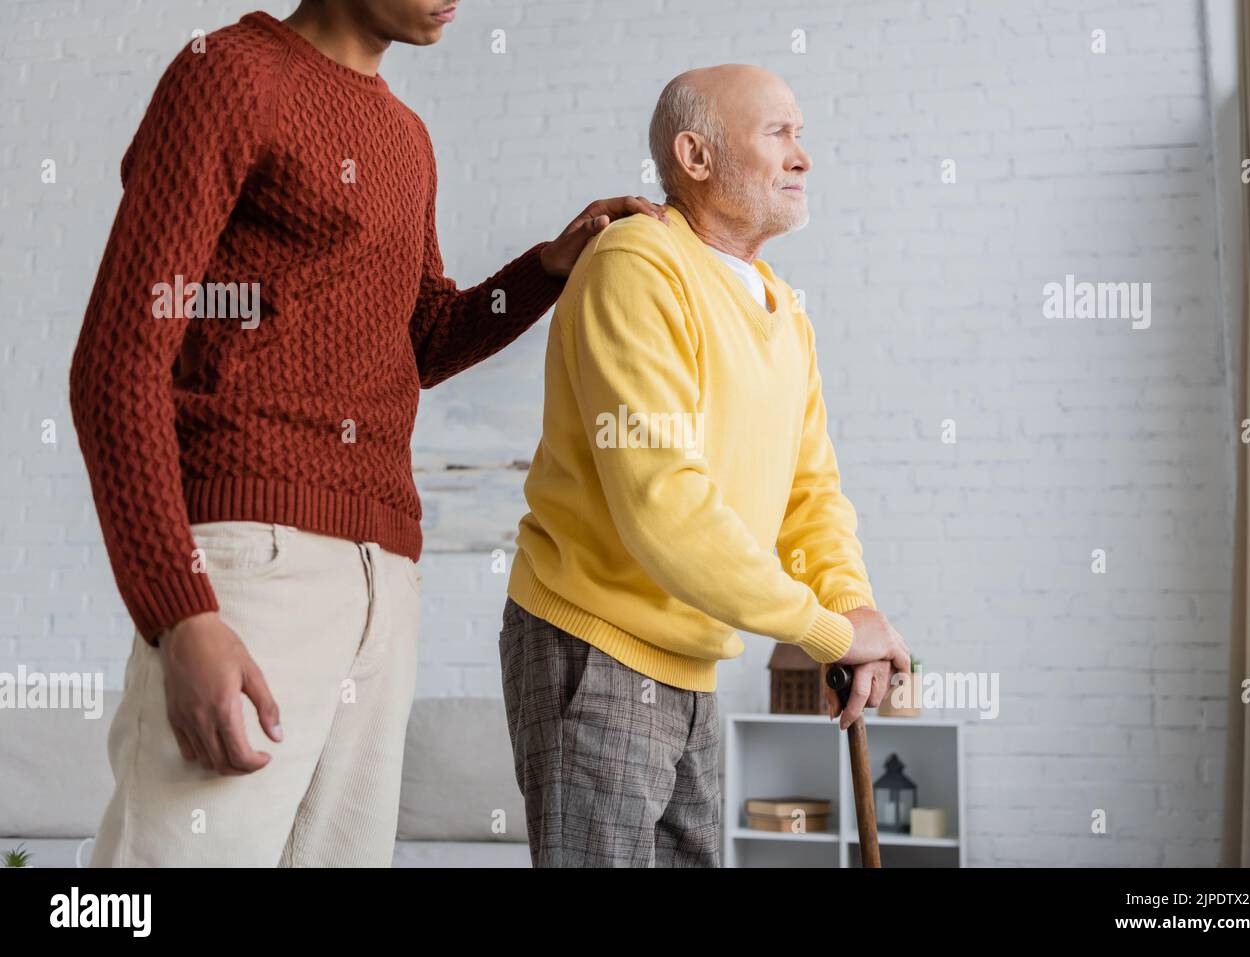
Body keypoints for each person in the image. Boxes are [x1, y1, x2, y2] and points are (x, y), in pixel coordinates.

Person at [68, 0, 665, 867]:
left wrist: (547, 267)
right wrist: (179, 612)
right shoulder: (228, 73)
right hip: (250, 564)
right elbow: (116, 363)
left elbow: (421, 338)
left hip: (386, 578)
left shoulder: (407, 137)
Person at [498, 64, 911, 867]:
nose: (804, 157)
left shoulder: (783, 310)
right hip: (596, 644)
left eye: (801, 135)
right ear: (695, 156)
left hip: (692, 662)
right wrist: (826, 629)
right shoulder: (636, 264)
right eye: (778, 134)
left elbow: (811, 495)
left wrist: (851, 609)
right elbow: (664, 506)